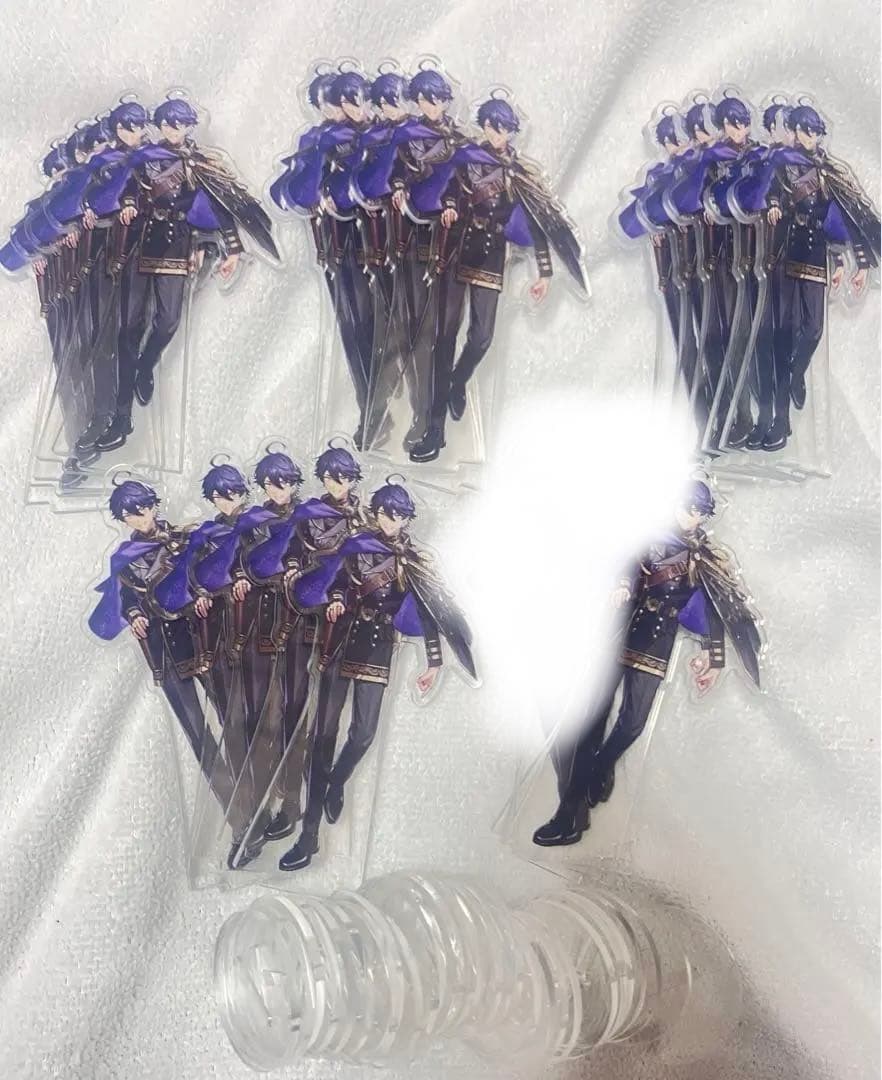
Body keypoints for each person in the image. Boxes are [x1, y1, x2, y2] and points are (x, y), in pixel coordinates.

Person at [533, 480, 761, 847]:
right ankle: (568, 816)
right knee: (591, 722)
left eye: (700, 511)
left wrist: (714, 657)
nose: (692, 516)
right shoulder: (644, 534)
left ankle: (601, 766)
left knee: (633, 722)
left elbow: (711, 608)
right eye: (688, 507)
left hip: (656, 641)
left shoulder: (703, 557)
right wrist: (620, 585)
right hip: (620, 631)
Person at [279, 480, 476, 871]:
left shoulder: (412, 560)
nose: (391, 521)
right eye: (386, 513)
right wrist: (336, 600)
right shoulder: (355, 545)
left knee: (365, 733)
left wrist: (434, 662)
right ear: (376, 512)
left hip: (378, 649)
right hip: (340, 643)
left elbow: (428, 612)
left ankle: (337, 780)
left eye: (399, 516)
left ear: (406, 519)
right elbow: (333, 580)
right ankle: (308, 835)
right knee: (322, 739)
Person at [87, 479, 231, 809]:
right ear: (122, 519)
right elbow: (124, 597)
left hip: (201, 638)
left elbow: (211, 573)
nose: (140, 518)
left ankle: (254, 791)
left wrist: (205, 594)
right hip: (164, 648)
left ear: (153, 505)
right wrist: (134, 613)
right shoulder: (125, 558)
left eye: (143, 509)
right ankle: (235, 809)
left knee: (231, 714)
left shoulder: (186, 538)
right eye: (131, 515)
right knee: (197, 731)